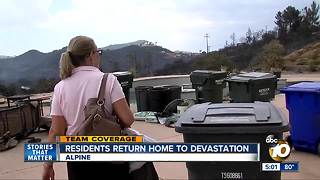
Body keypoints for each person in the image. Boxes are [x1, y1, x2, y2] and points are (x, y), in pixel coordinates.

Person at [42, 36, 134, 180]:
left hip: (77, 160)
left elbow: (56, 131)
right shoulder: (108, 80)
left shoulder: (60, 87)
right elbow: (128, 119)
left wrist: (48, 165)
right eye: (98, 52)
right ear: (91, 55)